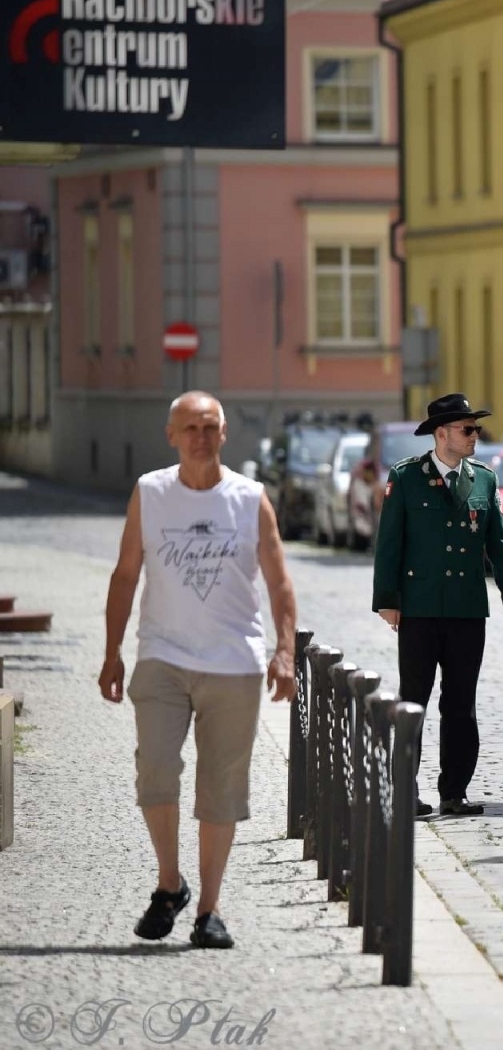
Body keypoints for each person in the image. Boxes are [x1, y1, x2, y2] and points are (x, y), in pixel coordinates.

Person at [99, 391, 298, 949]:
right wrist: (112, 652)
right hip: (162, 655)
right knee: (155, 770)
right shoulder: (150, 493)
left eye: (210, 427)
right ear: (171, 435)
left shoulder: (249, 499)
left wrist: (284, 652)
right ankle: (170, 883)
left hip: (233, 662)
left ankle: (209, 908)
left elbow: (280, 582)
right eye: (190, 428)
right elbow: (125, 575)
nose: (201, 437)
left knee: (221, 787)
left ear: (224, 433)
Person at [372, 393, 503, 818]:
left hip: (466, 609)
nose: (475, 436)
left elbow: (499, 543)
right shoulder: (406, 477)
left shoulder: (484, 479)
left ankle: (454, 791)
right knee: (414, 701)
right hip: (419, 608)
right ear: (442, 434)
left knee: (461, 703)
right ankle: (404, 789)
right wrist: (387, 600)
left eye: (476, 429)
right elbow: (389, 543)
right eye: (467, 429)